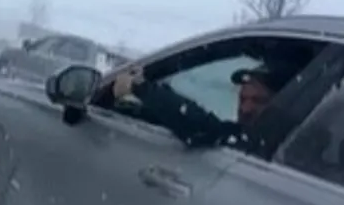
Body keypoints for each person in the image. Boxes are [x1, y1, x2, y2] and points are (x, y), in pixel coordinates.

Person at [111, 63, 276, 148]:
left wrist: (141, 88)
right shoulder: (242, 134)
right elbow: (191, 122)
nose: (245, 109)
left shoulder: (267, 145)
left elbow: (202, 127)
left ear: (280, 105)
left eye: (259, 101)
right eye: (242, 99)